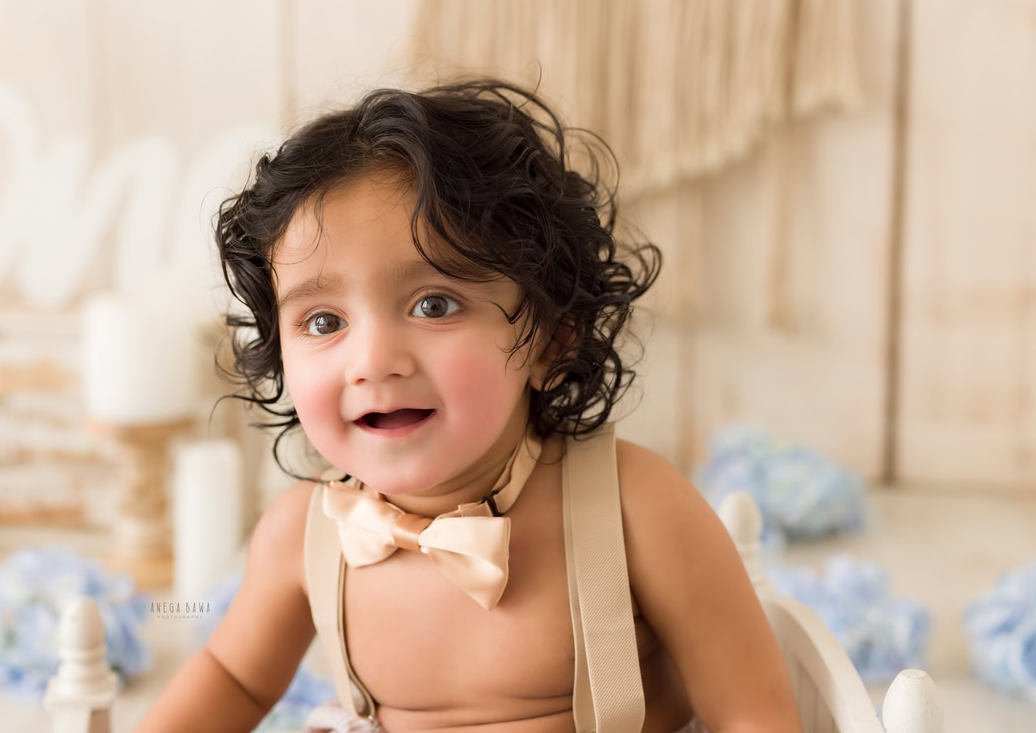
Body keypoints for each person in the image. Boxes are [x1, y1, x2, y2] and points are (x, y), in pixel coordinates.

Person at [137, 78, 800, 732]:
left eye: (434, 305)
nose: (372, 361)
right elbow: (233, 677)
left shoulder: (637, 510)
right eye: (323, 322)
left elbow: (751, 710)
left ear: (549, 340)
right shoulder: (301, 535)